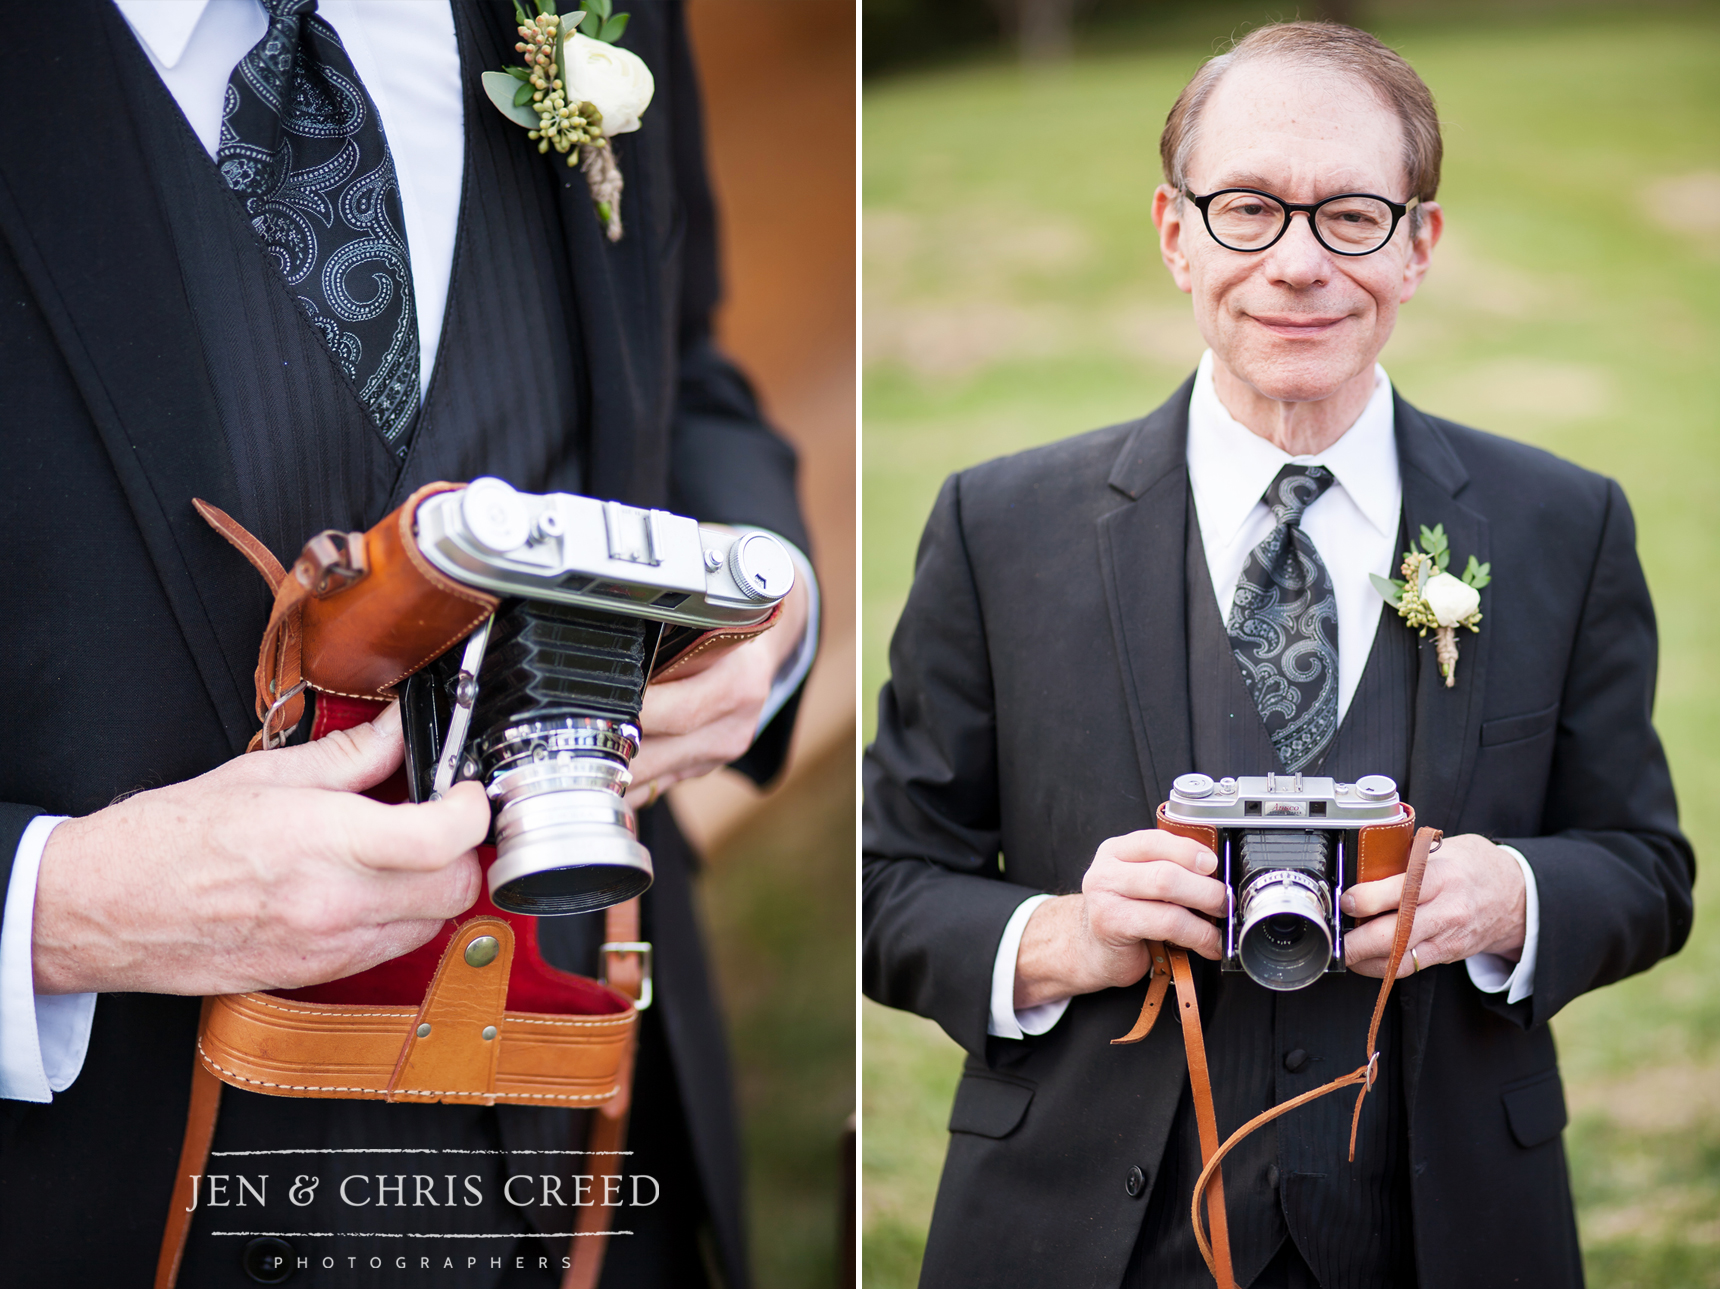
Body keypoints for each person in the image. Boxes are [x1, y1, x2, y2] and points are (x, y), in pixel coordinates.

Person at [862, 21, 1692, 1289]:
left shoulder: (1561, 524)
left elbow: (1645, 866)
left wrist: (1511, 899)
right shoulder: (998, 526)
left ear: (1418, 243)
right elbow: (880, 883)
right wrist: (1064, 933)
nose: (1297, 264)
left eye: (1352, 214)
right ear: (1173, 232)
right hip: (1084, 1236)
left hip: (1445, 1230)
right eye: (1247, 207)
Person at [0, 2, 818, 1286]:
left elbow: (684, 367)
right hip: (105, 1189)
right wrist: (58, 905)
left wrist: (768, 610)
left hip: (597, 1144)